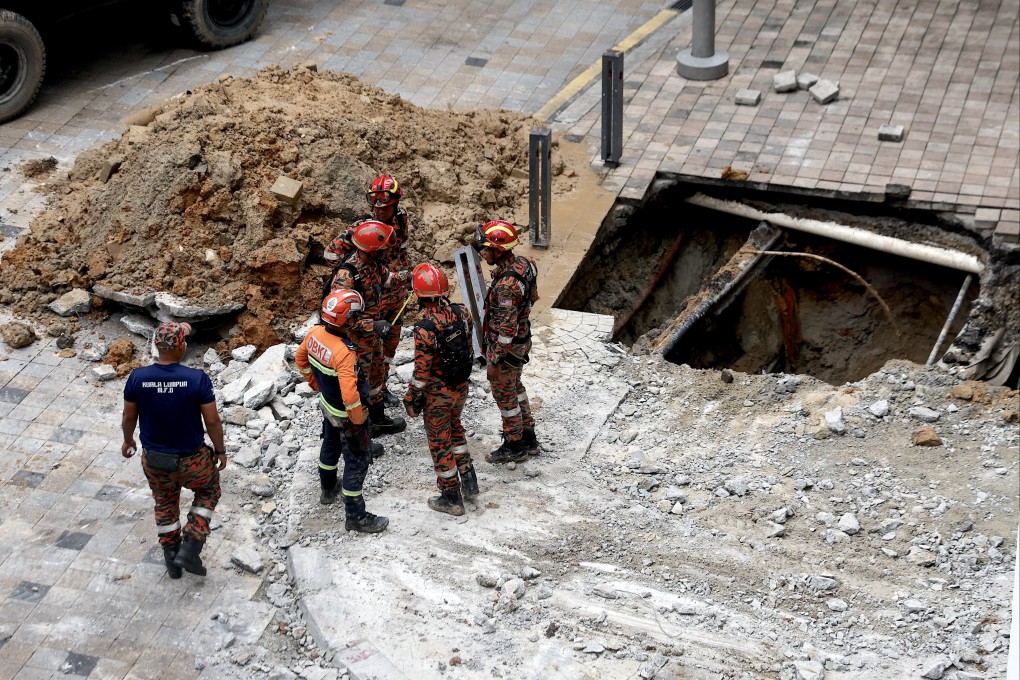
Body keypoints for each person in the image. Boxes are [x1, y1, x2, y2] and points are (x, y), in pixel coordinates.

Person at [121, 321, 227, 579]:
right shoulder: (196, 379)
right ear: (181, 347)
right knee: (209, 489)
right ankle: (191, 545)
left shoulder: (138, 378)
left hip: (156, 460)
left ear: (156, 346)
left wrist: (128, 441)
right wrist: (220, 450)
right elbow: (212, 420)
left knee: (165, 503)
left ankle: (171, 559)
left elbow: (128, 416)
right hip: (193, 459)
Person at [296, 289, 389, 533]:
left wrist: (315, 384)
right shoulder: (344, 352)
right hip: (347, 416)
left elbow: (300, 359)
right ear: (347, 320)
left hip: (327, 406)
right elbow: (350, 395)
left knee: (329, 446)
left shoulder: (314, 333)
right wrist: (358, 421)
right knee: (357, 462)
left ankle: (327, 489)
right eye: (355, 316)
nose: (357, 320)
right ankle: (355, 516)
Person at [403, 262, 478, 516]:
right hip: (460, 387)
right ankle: (469, 480)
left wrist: (411, 397)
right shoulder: (462, 312)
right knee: (455, 427)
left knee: (439, 442)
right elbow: (468, 348)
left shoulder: (425, 329)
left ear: (419, 295)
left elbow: (421, 374)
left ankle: (451, 496)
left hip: (438, 394)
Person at [322, 220, 407, 436]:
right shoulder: (347, 276)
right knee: (359, 384)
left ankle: (378, 421)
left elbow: (389, 280)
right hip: (355, 342)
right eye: (385, 247)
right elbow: (338, 318)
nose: (389, 250)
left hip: (372, 339)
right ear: (373, 250)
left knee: (377, 377)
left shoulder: (374, 265)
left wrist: (409, 277)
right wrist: (373, 324)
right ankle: (360, 432)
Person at [473, 220, 541, 464]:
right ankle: (529, 437)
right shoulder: (526, 265)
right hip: (523, 341)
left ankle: (515, 445)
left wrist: (494, 359)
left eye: (485, 248)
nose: (482, 252)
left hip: (508, 348)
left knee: (504, 395)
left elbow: (505, 331)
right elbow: (532, 298)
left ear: (498, 250)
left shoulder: (505, 288)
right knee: (517, 388)